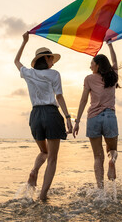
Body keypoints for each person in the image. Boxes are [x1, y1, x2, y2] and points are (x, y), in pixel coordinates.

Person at [14, 31, 73, 200]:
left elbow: (16, 61)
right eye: (51, 58)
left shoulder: (28, 73)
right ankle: (43, 196)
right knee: (52, 159)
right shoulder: (54, 74)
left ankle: (34, 171)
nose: (53, 61)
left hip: (35, 116)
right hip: (51, 114)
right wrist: (68, 118)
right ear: (46, 58)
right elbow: (59, 96)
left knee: (43, 152)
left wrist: (24, 42)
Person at [73, 42, 119, 189]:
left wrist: (77, 121)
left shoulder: (88, 79)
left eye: (92, 63)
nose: (90, 66)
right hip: (109, 117)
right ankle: (112, 161)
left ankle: (100, 190)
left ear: (98, 65)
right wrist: (110, 46)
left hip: (93, 118)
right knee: (112, 150)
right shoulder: (113, 76)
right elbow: (115, 62)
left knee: (97, 156)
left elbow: (83, 100)